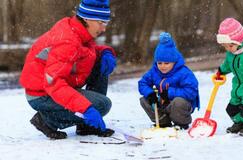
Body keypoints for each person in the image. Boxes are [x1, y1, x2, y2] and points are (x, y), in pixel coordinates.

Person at [19, 0, 117, 139]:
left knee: (100, 60)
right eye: (101, 22)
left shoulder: (78, 31)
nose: (103, 28)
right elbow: (53, 82)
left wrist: (105, 52)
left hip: (56, 85)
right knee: (102, 105)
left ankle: (87, 126)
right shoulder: (67, 41)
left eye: (105, 23)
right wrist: (86, 108)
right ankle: (46, 121)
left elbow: (83, 52)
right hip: (42, 94)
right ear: (86, 19)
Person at [138, 32, 200, 129]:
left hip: (181, 105)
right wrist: (150, 93)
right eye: (160, 63)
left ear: (174, 62)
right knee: (144, 100)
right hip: (162, 103)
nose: (162, 66)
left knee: (178, 102)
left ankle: (181, 123)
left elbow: (191, 91)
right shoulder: (154, 71)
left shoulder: (183, 72)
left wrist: (170, 93)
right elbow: (143, 83)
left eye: (166, 63)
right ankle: (162, 121)